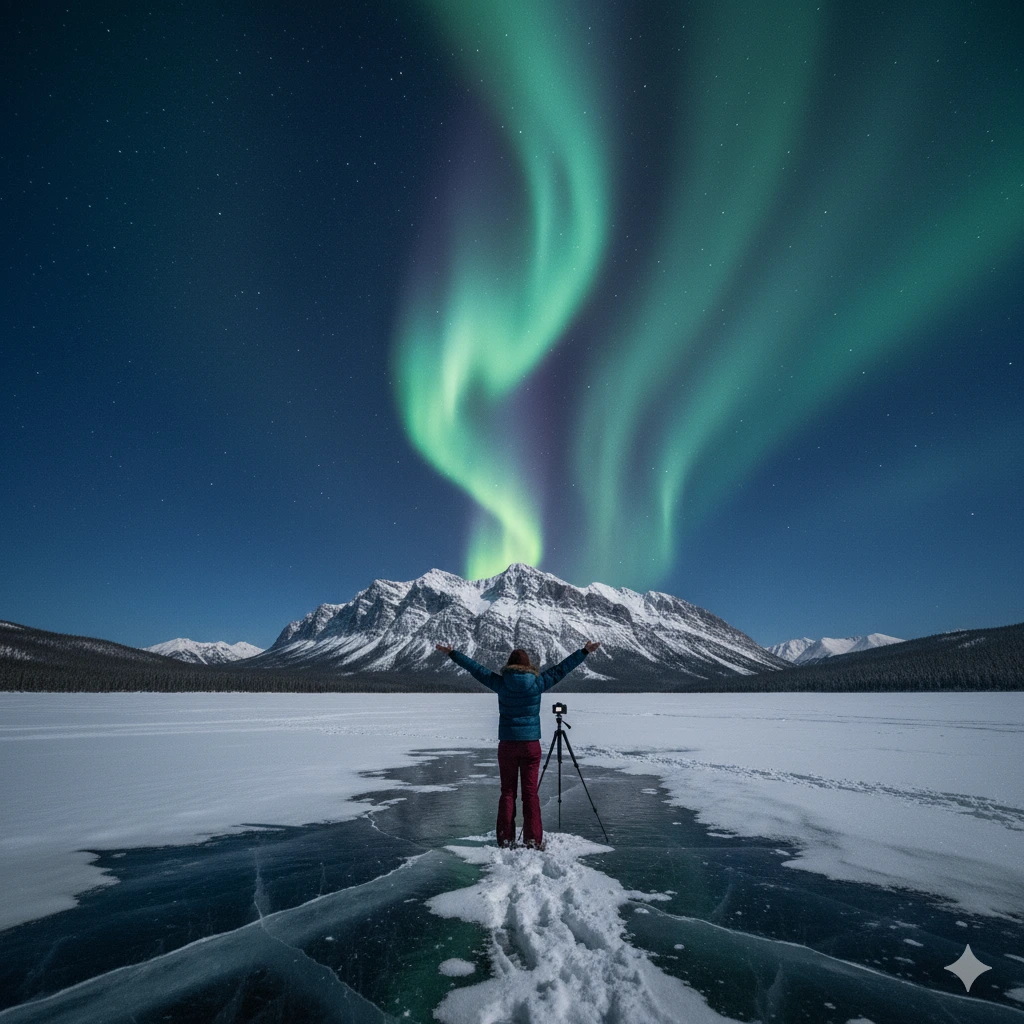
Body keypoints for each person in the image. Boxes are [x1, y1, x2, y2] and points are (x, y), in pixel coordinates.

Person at [434, 639, 601, 850]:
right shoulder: (538, 682)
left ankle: (505, 839)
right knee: (530, 793)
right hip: (531, 744)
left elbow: (475, 669)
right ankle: (532, 840)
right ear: (528, 664)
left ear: (509, 664)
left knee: (507, 792)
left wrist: (453, 654)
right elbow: (561, 670)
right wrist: (584, 651)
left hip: (508, 744)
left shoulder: (501, 682)